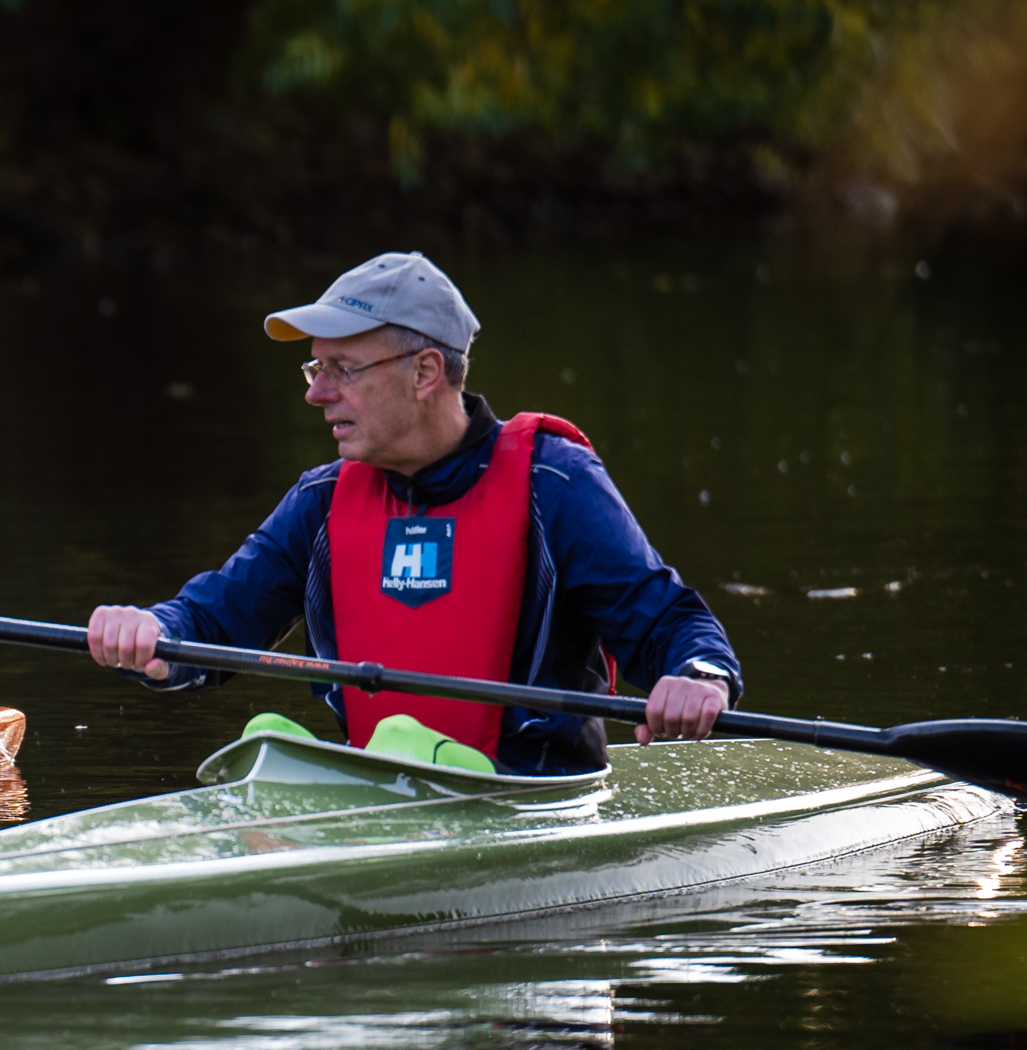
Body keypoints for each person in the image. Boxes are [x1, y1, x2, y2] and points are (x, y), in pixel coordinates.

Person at [84, 251, 740, 773]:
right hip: (390, 789)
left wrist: (697, 680)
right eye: (314, 367)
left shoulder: (553, 482)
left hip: (527, 801)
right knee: (266, 740)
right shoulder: (322, 501)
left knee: (400, 738)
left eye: (342, 368)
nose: (317, 392)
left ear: (426, 372)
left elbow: (670, 623)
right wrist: (151, 630)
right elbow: (214, 620)